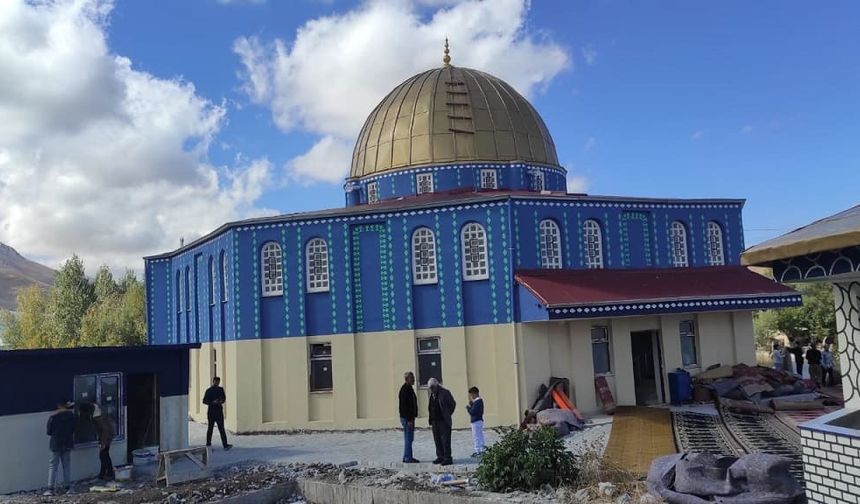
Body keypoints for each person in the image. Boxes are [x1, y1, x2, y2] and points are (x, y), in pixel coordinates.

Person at [45, 401, 75, 496]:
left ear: (58, 406)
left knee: (53, 466)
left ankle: (50, 488)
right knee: (66, 465)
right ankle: (67, 487)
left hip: (55, 444)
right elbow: (73, 429)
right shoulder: (72, 416)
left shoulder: (53, 417)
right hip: (67, 443)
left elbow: (49, 432)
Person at [427, 377, 456, 466]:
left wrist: (447, 414)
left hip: (443, 421)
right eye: (430, 388)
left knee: (445, 440)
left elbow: (452, 404)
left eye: (432, 387)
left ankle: (447, 457)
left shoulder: (445, 393)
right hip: (434, 421)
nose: (431, 389)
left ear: (436, 385)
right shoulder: (431, 394)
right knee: (437, 439)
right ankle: (440, 456)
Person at [202, 377, 232, 451]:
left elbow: (224, 399)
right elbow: (204, 401)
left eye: (218, 381)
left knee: (221, 429)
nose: (217, 383)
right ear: (213, 381)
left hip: (218, 411)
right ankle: (208, 445)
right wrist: (212, 402)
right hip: (211, 412)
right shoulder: (209, 390)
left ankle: (225, 445)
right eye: (216, 381)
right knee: (210, 429)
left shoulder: (221, 389)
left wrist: (221, 401)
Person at [398, 372, 419, 463]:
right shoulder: (405, 390)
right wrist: (410, 419)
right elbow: (405, 406)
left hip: (409, 417)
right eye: (411, 378)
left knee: (409, 438)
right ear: (407, 379)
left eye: (413, 377)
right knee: (408, 438)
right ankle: (408, 457)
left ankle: (407, 456)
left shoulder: (409, 388)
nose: (414, 379)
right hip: (407, 418)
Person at [93, 404, 115, 481]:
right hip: (107, 438)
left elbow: (104, 431)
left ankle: (107, 473)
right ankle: (105, 473)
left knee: (103, 456)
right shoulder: (102, 417)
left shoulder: (98, 419)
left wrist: (103, 443)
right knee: (104, 455)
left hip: (105, 439)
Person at [466, 386, 484, 457]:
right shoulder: (479, 401)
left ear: (474, 394)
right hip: (479, 420)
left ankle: (477, 450)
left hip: (476, 421)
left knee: (476, 436)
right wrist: (472, 404)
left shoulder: (477, 402)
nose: (471, 397)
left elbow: (472, 412)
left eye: (471, 395)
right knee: (480, 435)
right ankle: (482, 450)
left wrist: (468, 408)